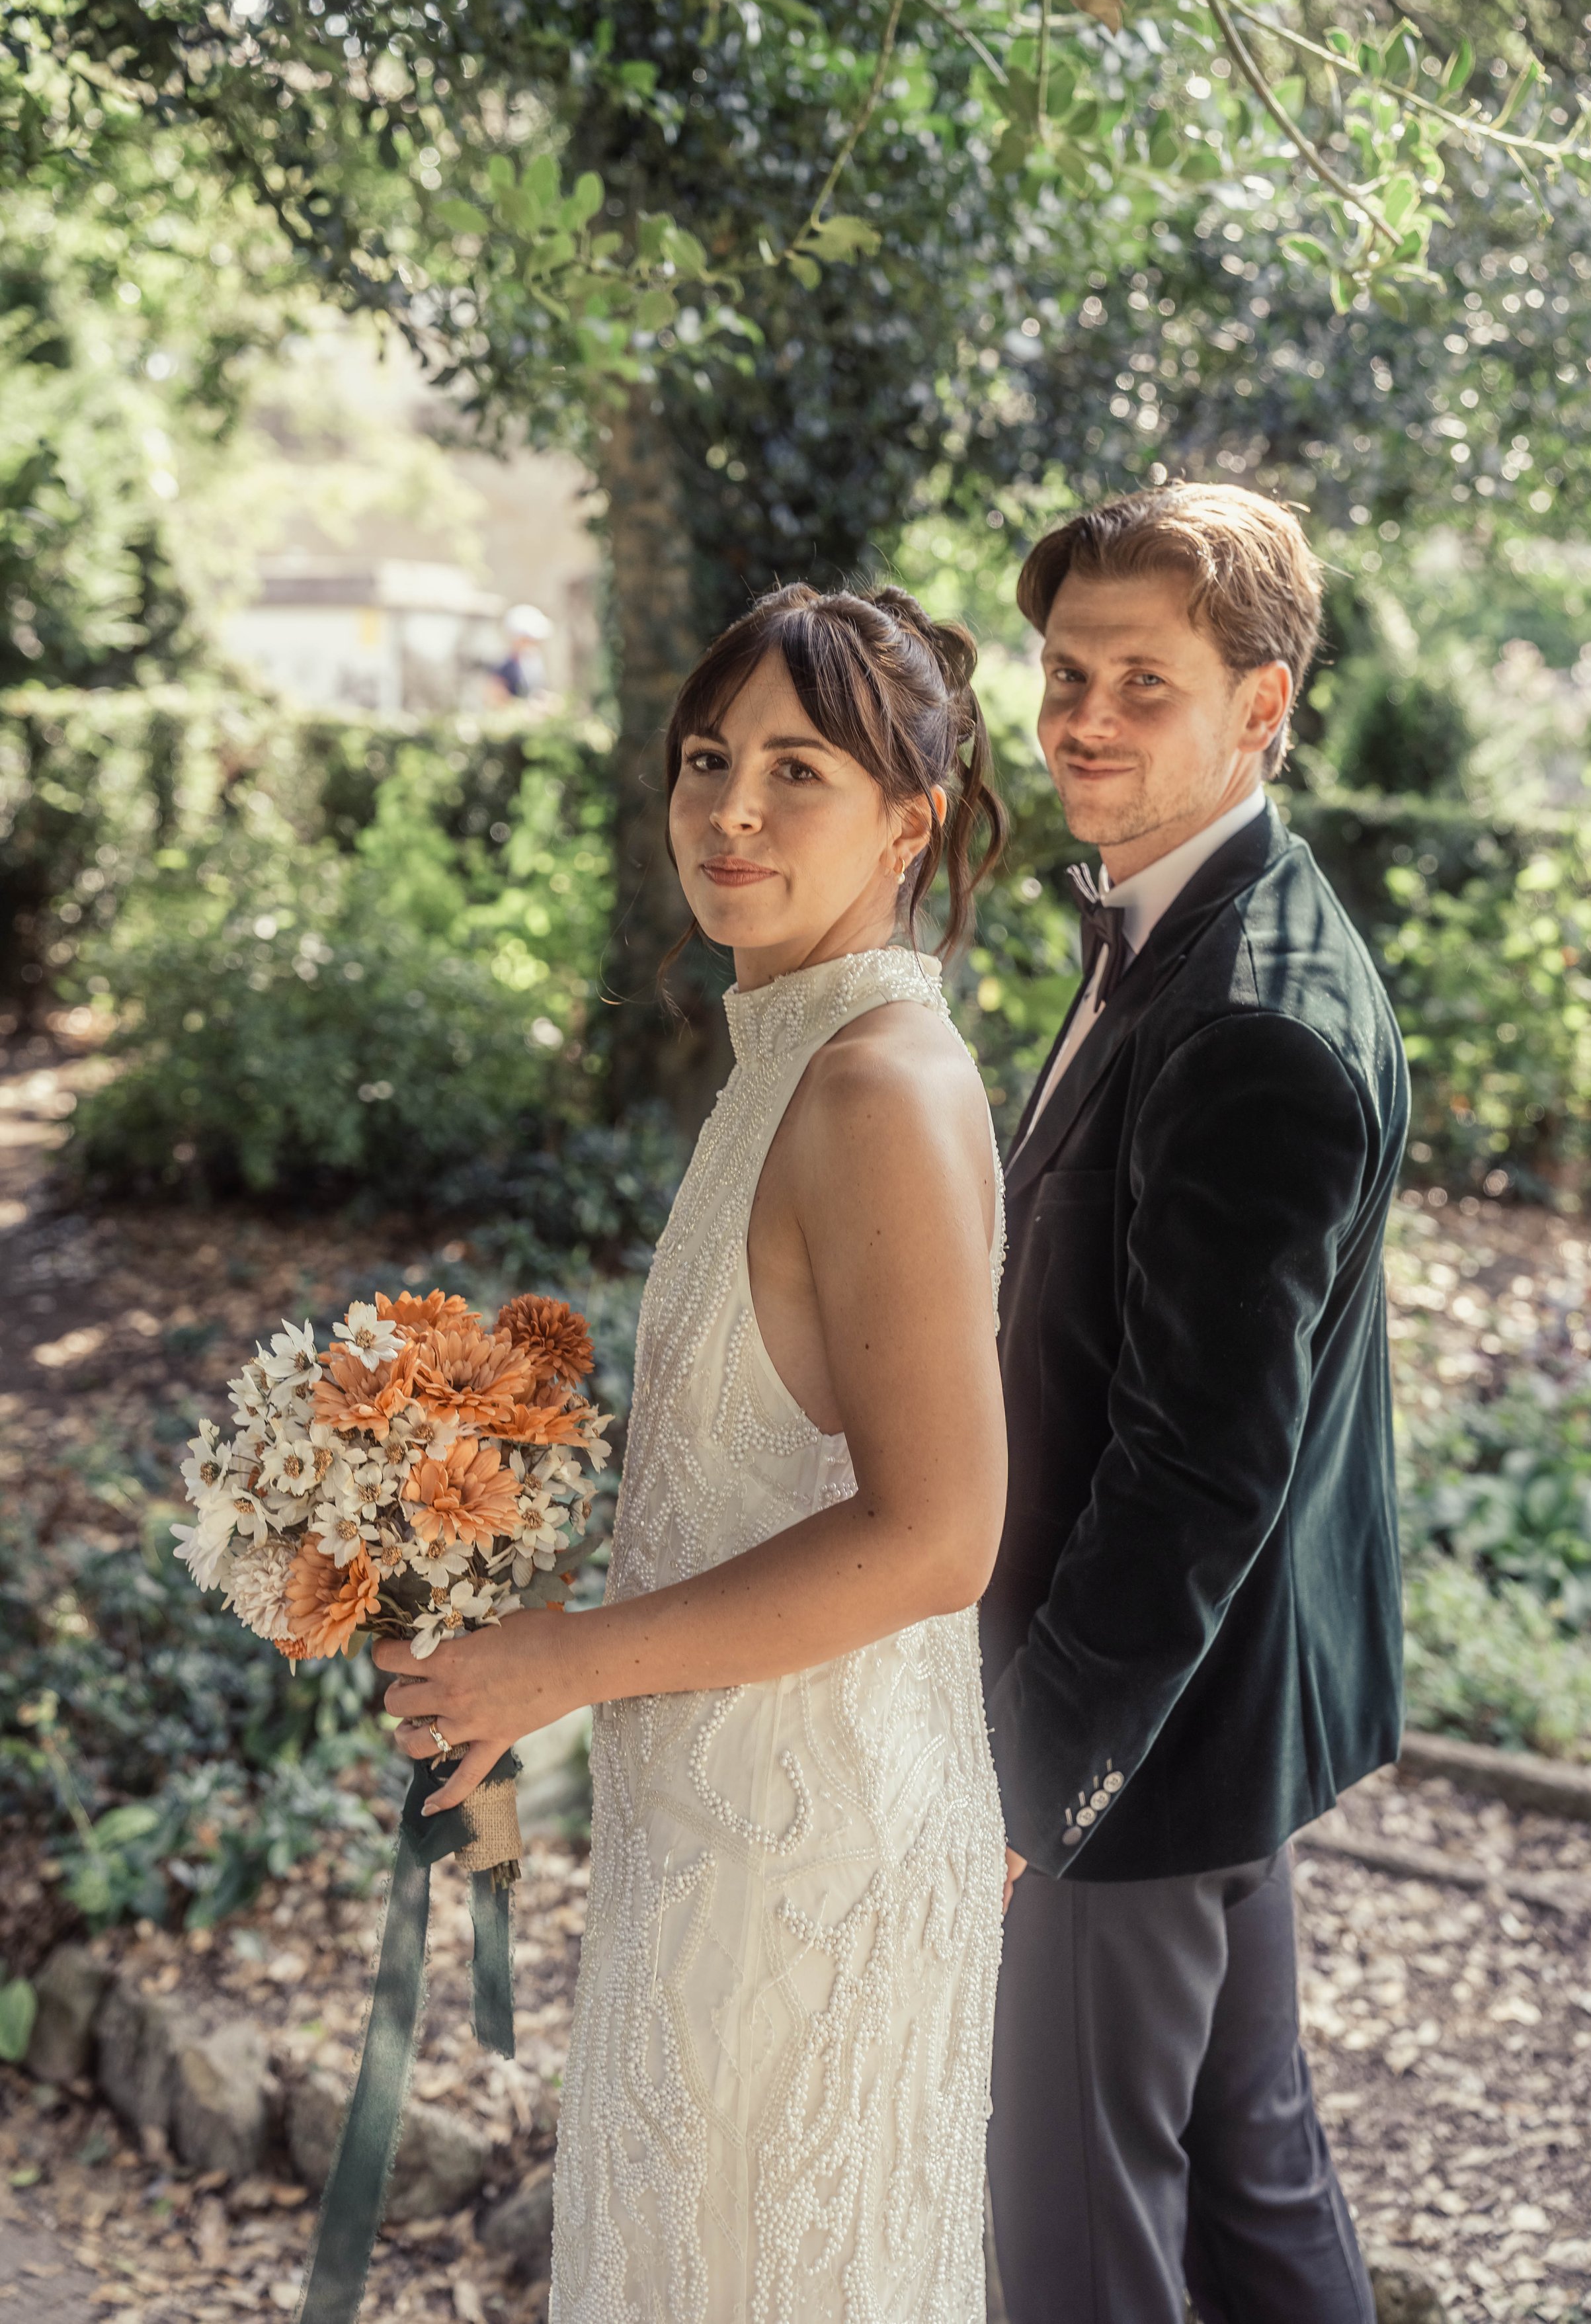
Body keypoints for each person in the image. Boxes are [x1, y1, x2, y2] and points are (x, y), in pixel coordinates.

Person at [376, 584, 1010, 2322]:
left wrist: (559, 1669)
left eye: (795, 771)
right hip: (716, 1828)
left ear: (911, 819)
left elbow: (936, 1537)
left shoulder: (872, 1086)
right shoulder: (784, 1056)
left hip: (813, 1871)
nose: (728, 808)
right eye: (705, 759)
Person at [981, 485, 1408, 2324]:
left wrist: (1024, 1783)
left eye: (1139, 683)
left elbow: (1191, 1475)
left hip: (1132, 1747)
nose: (1078, 717)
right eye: (1065, 671)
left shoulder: (1251, 1015)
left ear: (1262, 705)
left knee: (1079, 2242)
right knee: (1247, 2185)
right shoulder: (1210, 913)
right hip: (1223, 1724)